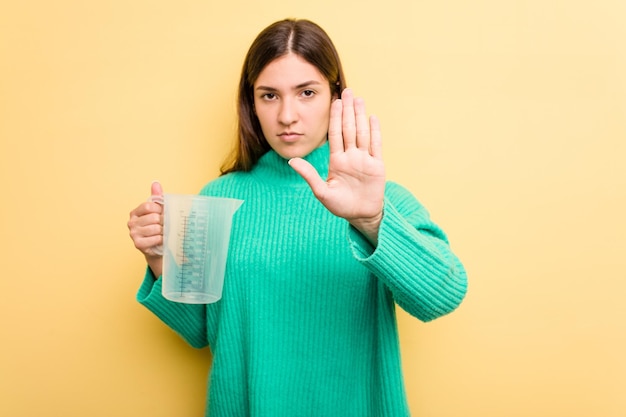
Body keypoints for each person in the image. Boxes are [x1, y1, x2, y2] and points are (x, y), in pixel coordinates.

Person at [127, 18, 467, 417]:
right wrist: (158, 258)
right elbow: (200, 330)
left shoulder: (380, 198)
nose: (287, 115)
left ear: (335, 96)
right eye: (269, 96)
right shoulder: (219, 198)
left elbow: (442, 296)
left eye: (306, 92)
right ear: (251, 103)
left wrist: (371, 220)